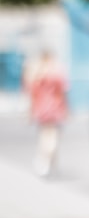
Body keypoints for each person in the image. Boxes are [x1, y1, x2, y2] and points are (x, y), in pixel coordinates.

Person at [23, 49, 70, 177]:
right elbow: (63, 92)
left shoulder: (36, 74)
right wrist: (67, 109)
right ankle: (46, 160)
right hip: (55, 108)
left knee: (45, 135)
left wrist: (30, 111)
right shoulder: (57, 73)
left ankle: (49, 162)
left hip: (41, 108)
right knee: (53, 136)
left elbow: (32, 94)